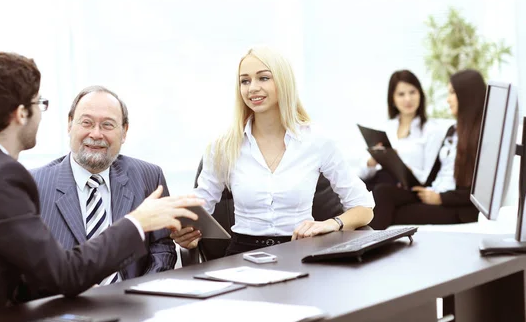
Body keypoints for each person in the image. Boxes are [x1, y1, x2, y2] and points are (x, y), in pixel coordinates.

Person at [0, 52, 204, 321]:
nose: (41, 112)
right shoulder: (2, 176)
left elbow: (24, 267)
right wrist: (136, 222)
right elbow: (65, 273)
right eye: (39, 103)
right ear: (21, 113)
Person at [172, 46, 374, 255]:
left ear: (283, 81)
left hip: (301, 252)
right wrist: (187, 234)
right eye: (245, 81)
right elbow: (198, 211)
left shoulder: (316, 140)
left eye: (263, 78)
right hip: (243, 256)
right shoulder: (223, 145)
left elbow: (364, 209)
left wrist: (333, 224)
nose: (252, 88)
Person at [31, 86, 176, 284]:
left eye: (107, 125)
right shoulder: (35, 185)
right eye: (86, 123)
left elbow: (162, 248)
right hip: (65, 306)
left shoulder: (149, 176)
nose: (96, 134)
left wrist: (140, 294)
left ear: (124, 132)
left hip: (134, 303)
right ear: (70, 124)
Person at [369, 69, 487, 230]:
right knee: (382, 191)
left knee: (392, 210)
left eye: (452, 93)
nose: (448, 100)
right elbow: (436, 173)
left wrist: (441, 198)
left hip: (454, 206)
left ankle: (366, 249)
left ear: (466, 95)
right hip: (434, 192)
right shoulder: (454, 131)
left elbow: (480, 194)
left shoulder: (482, 136)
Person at [358, 70, 446, 190]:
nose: (408, 99)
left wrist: (404, 168)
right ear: (393, 99)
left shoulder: (432, 129)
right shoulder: (385, 127)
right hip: (379, 182)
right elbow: (361, 174)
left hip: (405, 189)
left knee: (381, 190)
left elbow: (428, 177)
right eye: (401, 94)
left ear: (420, 94)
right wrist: (373, 161)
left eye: (412, 92)